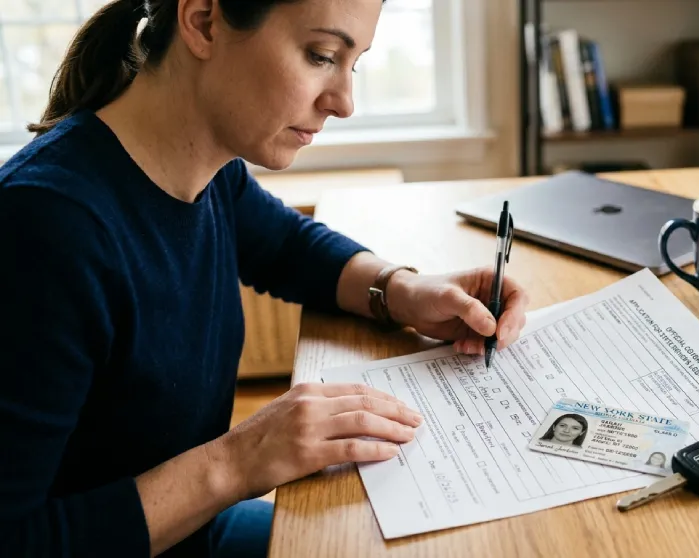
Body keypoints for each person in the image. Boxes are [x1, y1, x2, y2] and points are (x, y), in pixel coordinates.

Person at [0, 1, 529, 557]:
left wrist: (402, 290)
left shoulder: (206, 164)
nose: (344, 102)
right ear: (203, 21)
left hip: (196, 532)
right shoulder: (43, 232)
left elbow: (286, 246)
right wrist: (239, 460)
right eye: (321, 55)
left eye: (355, 64)